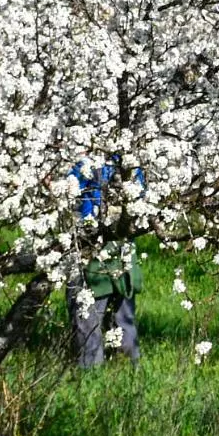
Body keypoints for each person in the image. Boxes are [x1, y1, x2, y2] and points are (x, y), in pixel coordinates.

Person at [67, 157, 139, 367]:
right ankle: (126, 369)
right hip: (122, 246)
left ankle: (90, 373)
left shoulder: (88, 160)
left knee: (88, 317)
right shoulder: (133, 155)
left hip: (94, 246)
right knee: (122, 316)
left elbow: (70, 188)